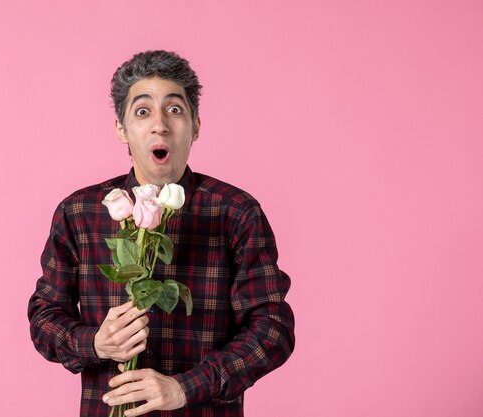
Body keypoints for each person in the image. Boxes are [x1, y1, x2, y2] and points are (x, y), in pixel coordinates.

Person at [28, 50, 295, 417]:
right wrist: (95, 343)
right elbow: (44, 317)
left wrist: (186, 387)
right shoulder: (79, 213)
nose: (160, 125)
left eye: (174, 110)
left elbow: (272, 329)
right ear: (121, 128)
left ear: (196, 125)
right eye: (142, 111)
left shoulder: (236, 212)